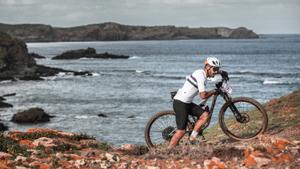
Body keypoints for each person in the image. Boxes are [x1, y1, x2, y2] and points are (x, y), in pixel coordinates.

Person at [168, 57, 228, 148]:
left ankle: (192, 139)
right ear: (207, 67)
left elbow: (213, 72)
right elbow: (203, 95)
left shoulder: (204, 73)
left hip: (187, 103)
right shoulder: (201, 75)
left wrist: (222, 72)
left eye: (217, 69)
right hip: (180, 103)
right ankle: (168, 151)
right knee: (181, 131)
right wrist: (213, 91)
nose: (216, 71)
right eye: (215, 69)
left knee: (205, 115)